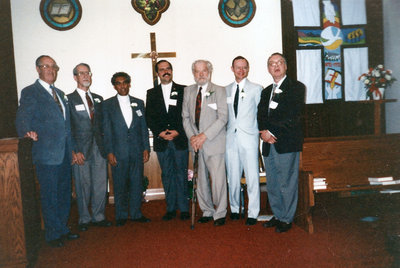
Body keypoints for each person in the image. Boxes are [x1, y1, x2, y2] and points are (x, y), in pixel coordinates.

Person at [15, 55, 79, 247]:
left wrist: (73, 151)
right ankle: (52, 234)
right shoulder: (30, 92)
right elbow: (22, 117)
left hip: (64, 154)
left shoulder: (60, 93)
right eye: (46, 66)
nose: (51, 70)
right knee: (50, 195)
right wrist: (26, 133)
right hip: (46, 154)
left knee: (64, 194)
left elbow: (67, 127)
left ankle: (62, 229)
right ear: (38, 69)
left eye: (54, 67)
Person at [257, 52, 305, 233]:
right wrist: (263, 132)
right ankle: (277, 215)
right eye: (271, 63)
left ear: (285, 66)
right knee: (273, 182)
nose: (275, 66)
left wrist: (271, 131)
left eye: (279, 63)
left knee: (287, 182)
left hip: (285, 142)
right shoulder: (265, 91)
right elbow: (260, 115)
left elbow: (292, 115)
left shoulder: (296, 88)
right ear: (268, 68)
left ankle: (287, 218)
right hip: (268, 143)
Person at [182, 59, 228, 226]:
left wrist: (204, 136)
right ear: (193, 73)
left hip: (213, 142)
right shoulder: (188, 91)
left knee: (218, 181)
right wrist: (193, 137)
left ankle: (220, 212)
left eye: (204, 71)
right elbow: (185, 117)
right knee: (200, 181)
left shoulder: (219, 90)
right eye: (197, 71)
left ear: (209, 72)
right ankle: (207, 210)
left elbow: (223, 118)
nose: (200, 74)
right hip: (195, 144)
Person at [102, 72, 150, 227]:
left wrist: (146, 148)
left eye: (125, 82)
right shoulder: (107, 105)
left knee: (137, 183)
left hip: (137, 150)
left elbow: (143, 128)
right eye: (118, 83)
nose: (122, 86)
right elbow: (107, 131)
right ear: (114, 86)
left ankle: (136, 214)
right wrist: (109, 152)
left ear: (129, 83)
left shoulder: (139, 102)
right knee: (120, 183)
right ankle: (121, 215)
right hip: (118, 152)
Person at [67, 63, 112, 231]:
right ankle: (84, 219)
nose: (85, 76)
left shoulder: (98, 99)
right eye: (81, 73)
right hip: (81, 150)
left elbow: (103, 126)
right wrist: (73, 150)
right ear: (75, 77)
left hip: (99, 148)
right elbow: (67, 127)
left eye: (88, 73)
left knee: (101, 183)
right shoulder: (68, 99)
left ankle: (99, 216)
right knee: (83, 184)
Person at [145, 60, 189, 221]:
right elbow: (149, 116)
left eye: (168, 69)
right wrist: (160, 132)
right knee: (167, 175)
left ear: (172, 71)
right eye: (162, 70)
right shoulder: (152, 93)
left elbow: (187, 114)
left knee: (181, 174)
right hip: (162, 141)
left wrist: (178, 131)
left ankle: (184, 208)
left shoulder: (184, 90)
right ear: (157, 73)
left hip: (179, 139)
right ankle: (170, 208)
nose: (165, 72)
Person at [225, 56, 262, 226]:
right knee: (232, 176)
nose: (241, 70)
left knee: (252, 176)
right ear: (232, 69)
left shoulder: (256, 89)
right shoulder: (225, 90)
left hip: (249, 138)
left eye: (244, 67)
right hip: (230, 139)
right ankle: (234, 209)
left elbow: (260, 115)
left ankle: (253, 212)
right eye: (237, 67)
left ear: (248, 69)